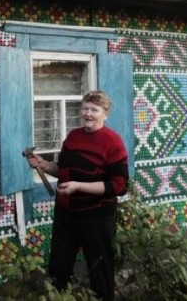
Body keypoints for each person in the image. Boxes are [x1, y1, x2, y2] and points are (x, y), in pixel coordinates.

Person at [27, 90, 129, 301]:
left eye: (94, 109)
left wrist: (78, 186)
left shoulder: (113, 142)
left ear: (105, 114)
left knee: (100, 271)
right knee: (58, 268)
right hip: (67, 214)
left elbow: (119, 186)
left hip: (97, 217)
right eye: (85, 108)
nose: (88, 113)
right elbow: (62, 170)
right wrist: (43, 164)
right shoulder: (73, 138)